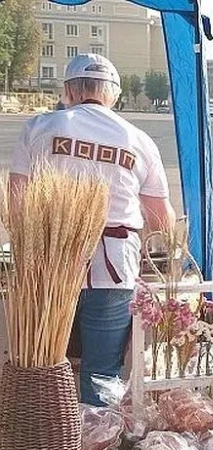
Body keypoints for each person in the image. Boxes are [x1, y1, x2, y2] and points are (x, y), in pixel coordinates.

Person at [10, 53, 176, 405]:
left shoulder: (40, 127)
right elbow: (161, 220)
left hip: (48, 266)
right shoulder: (139, 140)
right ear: (113, 95)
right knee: (102, 374)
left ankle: (48, 433)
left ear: (68, 91)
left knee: (43, 361)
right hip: (114, 270)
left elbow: (18, 203)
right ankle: (97, 434)